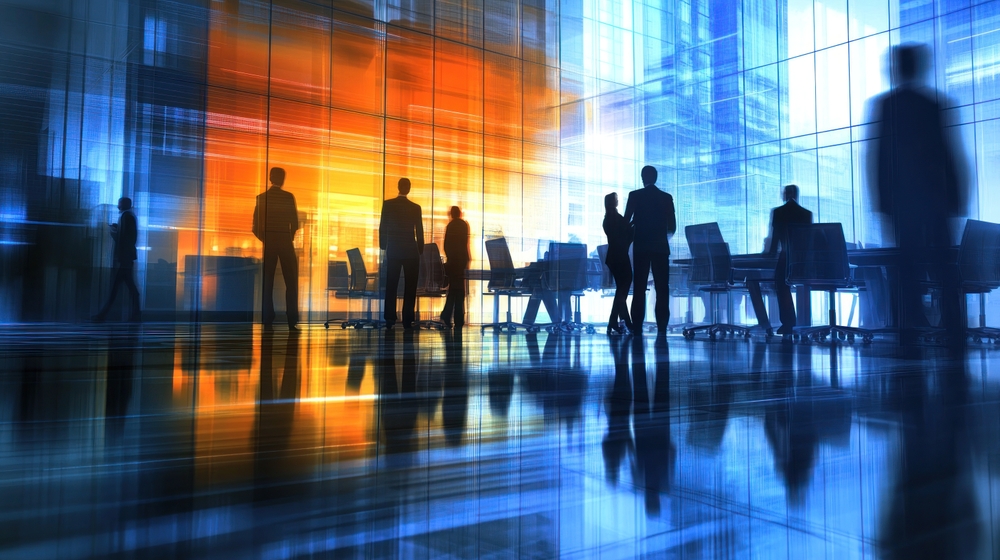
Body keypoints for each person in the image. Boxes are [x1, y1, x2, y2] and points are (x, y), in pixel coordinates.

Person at [868, 43, 966, 351]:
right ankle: (954, 330)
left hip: (904, 205)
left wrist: (883, 205)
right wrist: (956, 202)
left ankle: (910, 331)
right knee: (944, 268)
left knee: (906, 269)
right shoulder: (934, 104)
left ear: (896, 68)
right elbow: (950, 156)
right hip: (935, 203)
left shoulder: (886, 106)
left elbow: (879, 158)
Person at [624, 165, 676, 334]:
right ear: (656, 178)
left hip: (641, 247)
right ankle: (662, 326)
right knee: (662, 287)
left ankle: (637, 326)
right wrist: (661, 239)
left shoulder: (635, 196)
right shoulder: (666, 198)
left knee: (639, 288)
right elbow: (672, 227)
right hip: (660, 248)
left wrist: (634, 228)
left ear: (642, 177)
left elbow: (626, 222)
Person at [253, 167, 300, 331]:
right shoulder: (288, 198)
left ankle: (268, 318)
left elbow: (255, 227)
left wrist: (267, 240)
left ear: (270, 178)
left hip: (270, 243)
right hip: (285, 242)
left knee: (268, 282)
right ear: (282, 179)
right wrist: (288, 238)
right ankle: (292, 318)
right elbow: (295, 223)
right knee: (291, 282)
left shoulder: (261, 198)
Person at [766, 184, 813, 335]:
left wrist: (770, 253)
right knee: (788, 283)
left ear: (785, 195)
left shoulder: (779, 212)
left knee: (780, 283)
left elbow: (776, 238)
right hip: (805, 260)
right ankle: (801, 322)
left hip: (786, 257)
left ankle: (788, 322)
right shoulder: (806, 214)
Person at [379, 177, 424, 329]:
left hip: (394, 251)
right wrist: (420, 250)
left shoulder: (388, 205)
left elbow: (383, 227)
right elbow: (419, 231)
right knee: (410, 287)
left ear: (398, 187)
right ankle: (407, 319)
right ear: (409, 188)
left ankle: (390, 318)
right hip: (411, 252)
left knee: (391, 285)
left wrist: (383, 246)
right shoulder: (415, 208)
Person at [93, 197, 141, 322]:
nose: (117, 207)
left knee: (115, 289)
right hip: (126, 259)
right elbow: (129, 237)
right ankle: (136, 314)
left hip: (124, 259)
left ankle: (102, 315)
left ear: (124, 205)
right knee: (128, 288)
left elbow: (125, 239)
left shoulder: (126, 217)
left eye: (119, 204)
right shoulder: (128, 216)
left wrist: (115, 232)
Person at [603, 192, 634, 334]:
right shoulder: (615, 219)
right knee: (622, 290)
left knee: (621, 291)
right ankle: (623, 322)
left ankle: (616, 321)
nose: (618, 201)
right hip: (620, 257)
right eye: (616, 200)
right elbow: (625, 236)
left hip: (614, 257)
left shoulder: (608, 219)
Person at [441, 206, 470, 329]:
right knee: (459, 290)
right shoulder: (464, 225)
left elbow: (446, 245)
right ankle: (457, 318)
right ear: (460, 214)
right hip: (461, 261)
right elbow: (465, 243)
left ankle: (448, 315)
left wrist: (450, 258)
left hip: (453, 262)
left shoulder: (450, 226)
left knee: (454, 289)